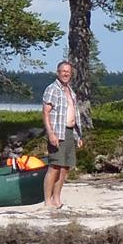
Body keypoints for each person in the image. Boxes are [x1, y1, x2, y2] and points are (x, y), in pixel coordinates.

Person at [41, 60, 84, 210]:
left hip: (70, 132)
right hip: (57, 132)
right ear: (58, 72)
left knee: (65, 167)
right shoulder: (52, 89)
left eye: (68, 72)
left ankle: (57, 200)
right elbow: (45, 113)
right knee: (54, 166)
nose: (66, 73)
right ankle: (47, 201)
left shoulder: (70, 91)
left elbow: (74, 114)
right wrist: (51, 133)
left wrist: (78, 136)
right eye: (63, 71)